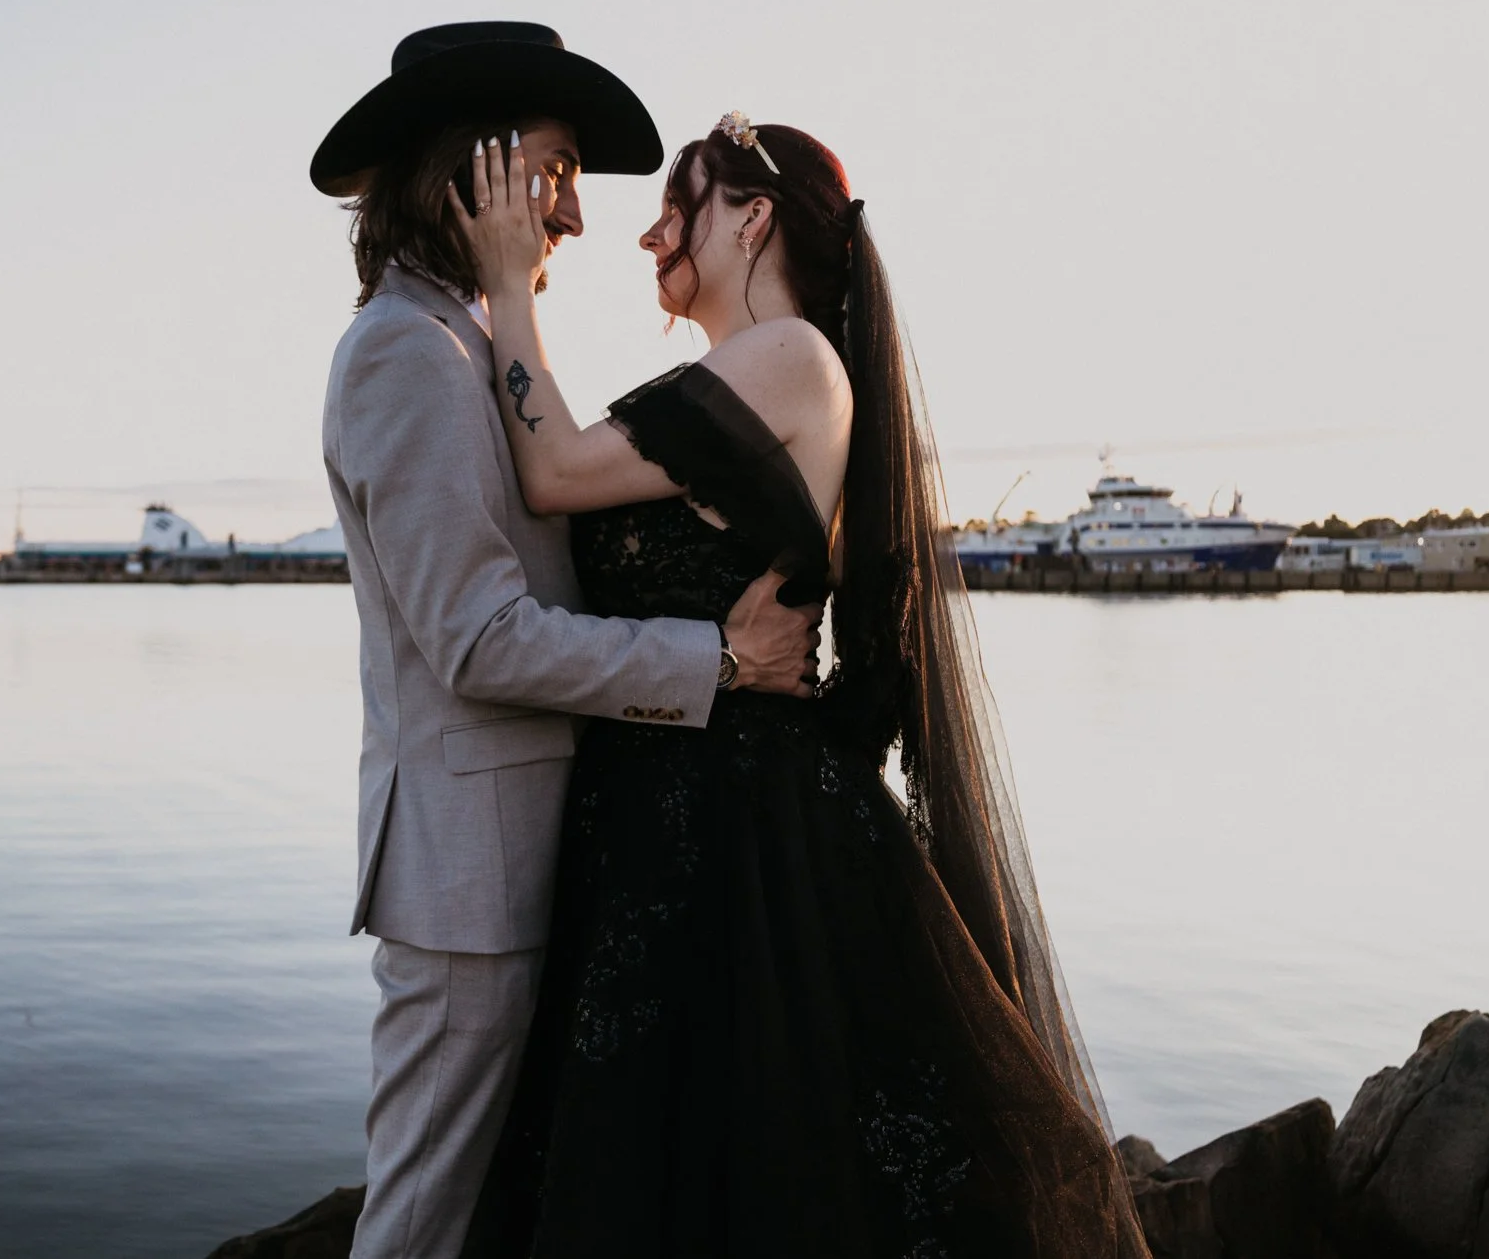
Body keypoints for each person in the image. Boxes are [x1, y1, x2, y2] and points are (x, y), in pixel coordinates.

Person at [451, 120, 1152, 1257]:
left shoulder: (791, 360)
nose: (649, 235)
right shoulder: (736, 375)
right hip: (661, 822)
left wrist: (501, 281)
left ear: (752, 218)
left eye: (677, 207)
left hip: (734, 836)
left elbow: (553, 468)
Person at [311, 25, 823, 1259]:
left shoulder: (468, 344)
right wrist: (714, 661)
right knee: (421, 1227)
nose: (577, 217)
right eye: (552, 172)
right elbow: (479, 641)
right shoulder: (405, 353)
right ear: (470, 173)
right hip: (468, 884)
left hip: (544, 861)